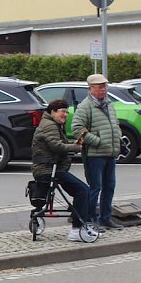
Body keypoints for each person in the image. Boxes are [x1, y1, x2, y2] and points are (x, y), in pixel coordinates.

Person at [32, 99, 98, 242]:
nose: (65, 115)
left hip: (49, 168)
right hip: (49, 170)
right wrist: (75, 148)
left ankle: (81, 225)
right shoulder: (50, 125)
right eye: (62, 111)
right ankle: (77, 229)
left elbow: (57, 144)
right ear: (53, 112)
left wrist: (71, 145)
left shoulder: (50, 123)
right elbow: (56, 146)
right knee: (83, 191)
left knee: (80, 191)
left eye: (67, 112)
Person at [71, 73, 122, 231]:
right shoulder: (85, 106)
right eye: (99, 87)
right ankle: (91, 219)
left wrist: (118, 136)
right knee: (95, 188)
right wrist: (98, 141)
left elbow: (115, 124)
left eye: (104, 87)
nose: (103, 90)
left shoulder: (109, 104)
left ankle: (105, 218)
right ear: (90, 89)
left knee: (109, 187)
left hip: (110, 153)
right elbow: (77, 129)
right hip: (95, 155)